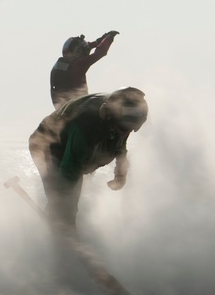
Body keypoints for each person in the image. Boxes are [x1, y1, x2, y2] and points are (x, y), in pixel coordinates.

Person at [29, 87, 149, 236]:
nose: (125, 132)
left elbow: (121, 147)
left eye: (130, 129)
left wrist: (120, 174)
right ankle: (57, 238)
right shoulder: (85, 127)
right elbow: (68, 173)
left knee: (75, 203)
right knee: (63, 200)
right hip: (47, 146)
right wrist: (62, 212)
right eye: (122, 128)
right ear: (109, 116)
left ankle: (70, 228)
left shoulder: (123, 116)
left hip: (82, 152)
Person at [50, 31, 119, 109]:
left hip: (62, 109)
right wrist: (108, 38)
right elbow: (100, 53)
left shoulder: (60, 66)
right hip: (79, 106)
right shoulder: (79, 64)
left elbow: (86, 47)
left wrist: (98, 41)